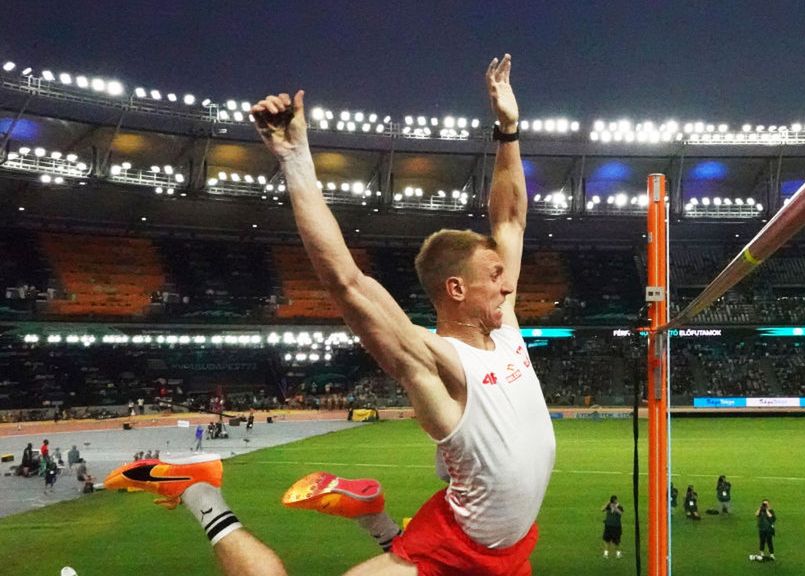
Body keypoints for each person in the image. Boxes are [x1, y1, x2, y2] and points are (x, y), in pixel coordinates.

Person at [105, 53, 555, 576]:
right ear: (456, 288)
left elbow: (511, 218)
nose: (510, 283)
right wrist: (296, 158)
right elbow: (346, 280)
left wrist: (508, 129)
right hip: (454, 551)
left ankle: (374, 515)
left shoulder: (507, 328)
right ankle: (200, 493)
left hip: (509, 549)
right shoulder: (435, 361)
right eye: (495, 276)